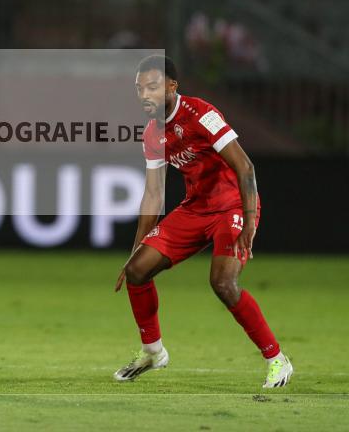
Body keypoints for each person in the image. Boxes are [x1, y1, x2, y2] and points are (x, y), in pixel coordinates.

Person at [113, 55, 292, 388]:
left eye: (152, 87)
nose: (144, 95)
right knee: (138, 271)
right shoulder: (152, 134)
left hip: (233, 206)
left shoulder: (201, 114)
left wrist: (250, 218)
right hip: (195, 209)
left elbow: (246, 166)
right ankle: (153, 351)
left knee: (223, 283)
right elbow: (153, 195)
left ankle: (276, 359)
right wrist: (135, 249)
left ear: (171, 86)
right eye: (139, 89)